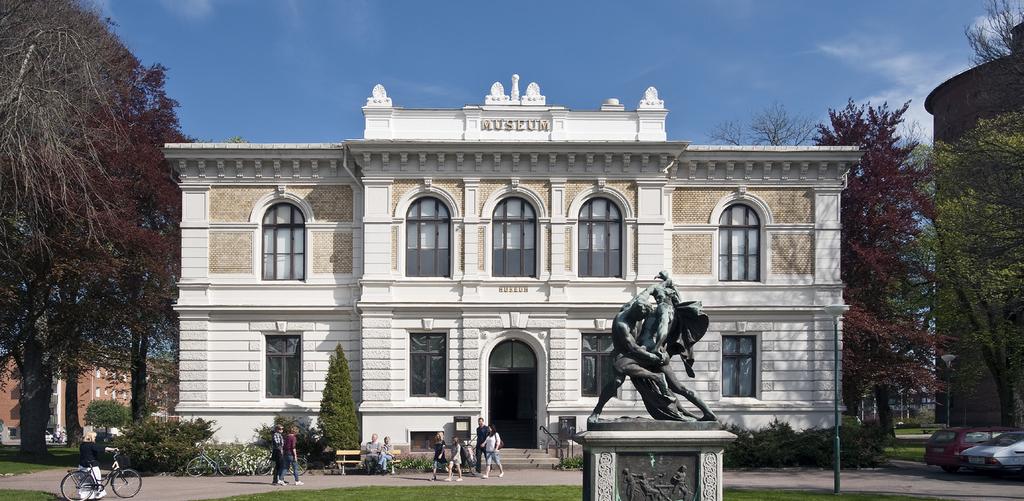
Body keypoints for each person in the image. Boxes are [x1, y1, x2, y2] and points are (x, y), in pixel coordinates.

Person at [78, 431, 117, 499]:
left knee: (85, 482)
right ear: (91, 437)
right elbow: (102, 448)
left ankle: (86, 495)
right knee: (97, 480)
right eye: (94, 437)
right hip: (91, 465)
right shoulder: (92, 445)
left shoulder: (82, 445)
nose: (95, 438)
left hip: (82, 465)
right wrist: (113, 449)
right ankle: (99, 493)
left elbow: (94, 451)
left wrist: (105, 451)